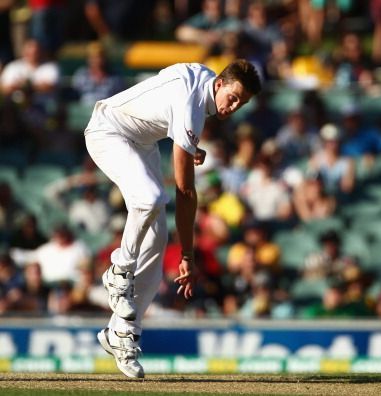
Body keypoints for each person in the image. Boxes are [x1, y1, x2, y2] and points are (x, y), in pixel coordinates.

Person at [84, 59, 261, 378]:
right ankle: (119, 270)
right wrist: (188, 255)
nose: (233, 107)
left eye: (242, 103)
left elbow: (165, 86)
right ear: (219, 84)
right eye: (233, 97)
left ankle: (120, 334)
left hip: (143, 143)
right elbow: (185, 191)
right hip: (107, 130)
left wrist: (187, 142)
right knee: (150, 198)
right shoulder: (193, 104)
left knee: (157, 239)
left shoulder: (204, 81)